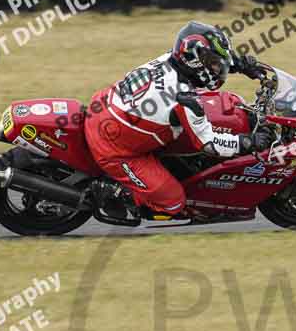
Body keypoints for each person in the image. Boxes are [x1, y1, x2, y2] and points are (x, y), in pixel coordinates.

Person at [84, 21, 274, 219]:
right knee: (173, 202)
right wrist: (247, 142)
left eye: (217, 62)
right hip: (115, 147)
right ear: (195, 60)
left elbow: (202, 59)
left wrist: (239, 64)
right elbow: (209, 143)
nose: (217, 67)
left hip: (109, 108)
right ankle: (112, 192)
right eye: (213, 62)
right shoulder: (184, 98)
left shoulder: (173, 59)